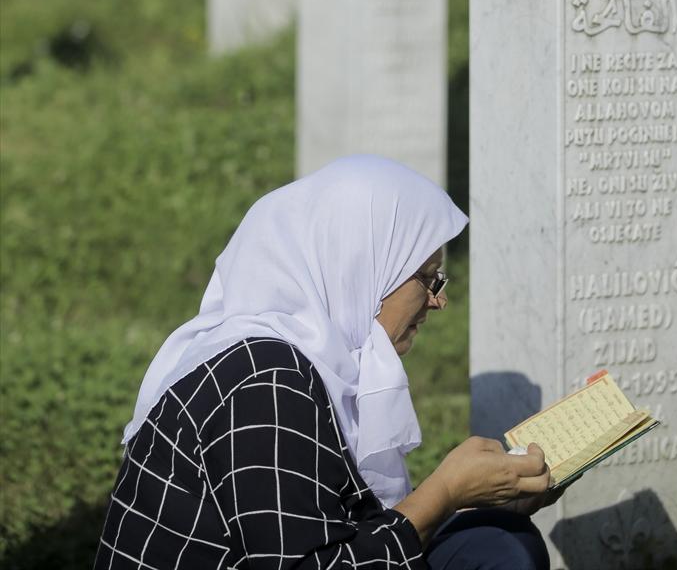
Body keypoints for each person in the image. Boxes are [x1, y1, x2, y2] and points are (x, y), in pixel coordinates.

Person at [94, 156, 557, 569]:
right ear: (364, 267)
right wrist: (446, 492)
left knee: (497, 540)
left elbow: (348, 525)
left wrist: (486, 497)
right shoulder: (263, 380)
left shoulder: (312, 361)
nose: (438, 301)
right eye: (427, 278)